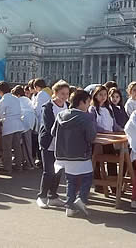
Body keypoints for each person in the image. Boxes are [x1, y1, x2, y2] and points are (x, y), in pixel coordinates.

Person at [51, 89, 97, 217]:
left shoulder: (61, 115)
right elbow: (91, 137)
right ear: (81, 102)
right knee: (87, 177)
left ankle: (69, 206)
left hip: (63, 154)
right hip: (81, 153)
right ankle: (81, 199)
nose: (88, 105)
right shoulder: (86, 117)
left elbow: (53, 132)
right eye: (88, 102)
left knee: (70, 180)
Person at [37, 80, 71, 209]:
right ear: (55, 93)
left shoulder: (68, 106)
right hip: (49, 142)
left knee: (58, 171)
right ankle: (42, 196)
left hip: (62, 144)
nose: (65, 96)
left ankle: (53, 196)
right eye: (62, 93)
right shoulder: (48, 107)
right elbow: (49, 126)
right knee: (49, 171)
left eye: (67, 93)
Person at [89, 85, 120, 185]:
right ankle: (98, 184)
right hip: (98, 140)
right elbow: (93, 125)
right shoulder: (92, 109)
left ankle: (113, 184)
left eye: (105, 95)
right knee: (97, 162)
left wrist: (121, 130)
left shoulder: (109, 108)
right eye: (100, 95)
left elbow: (114, 124)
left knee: (112, 161)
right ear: (95, 96)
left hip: (109, 139)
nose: (103, 97)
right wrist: (104, 131)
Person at [0, 81, 24, 173]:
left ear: (0, 91)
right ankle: (18, 166)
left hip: (8, 125)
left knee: (7, 148)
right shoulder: (15, 98)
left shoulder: (3, 100)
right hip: (18, 124)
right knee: (17, 147)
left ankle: (7, 168)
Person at [13, 85, 36, 170]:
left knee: (25, 145)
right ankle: (26, 162)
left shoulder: (18, 100)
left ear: (17, 95)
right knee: (26, 144)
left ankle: (30, 164)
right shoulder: (27, 99)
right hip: (30, 123)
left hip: (24, 124)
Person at [33, 78, 53, 165]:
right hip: (49, 118)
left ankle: (40, 160)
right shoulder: (50, 92)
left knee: (41, 140)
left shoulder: (41, 94)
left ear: (37, 87)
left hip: (41, 119)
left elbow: (37, 109)